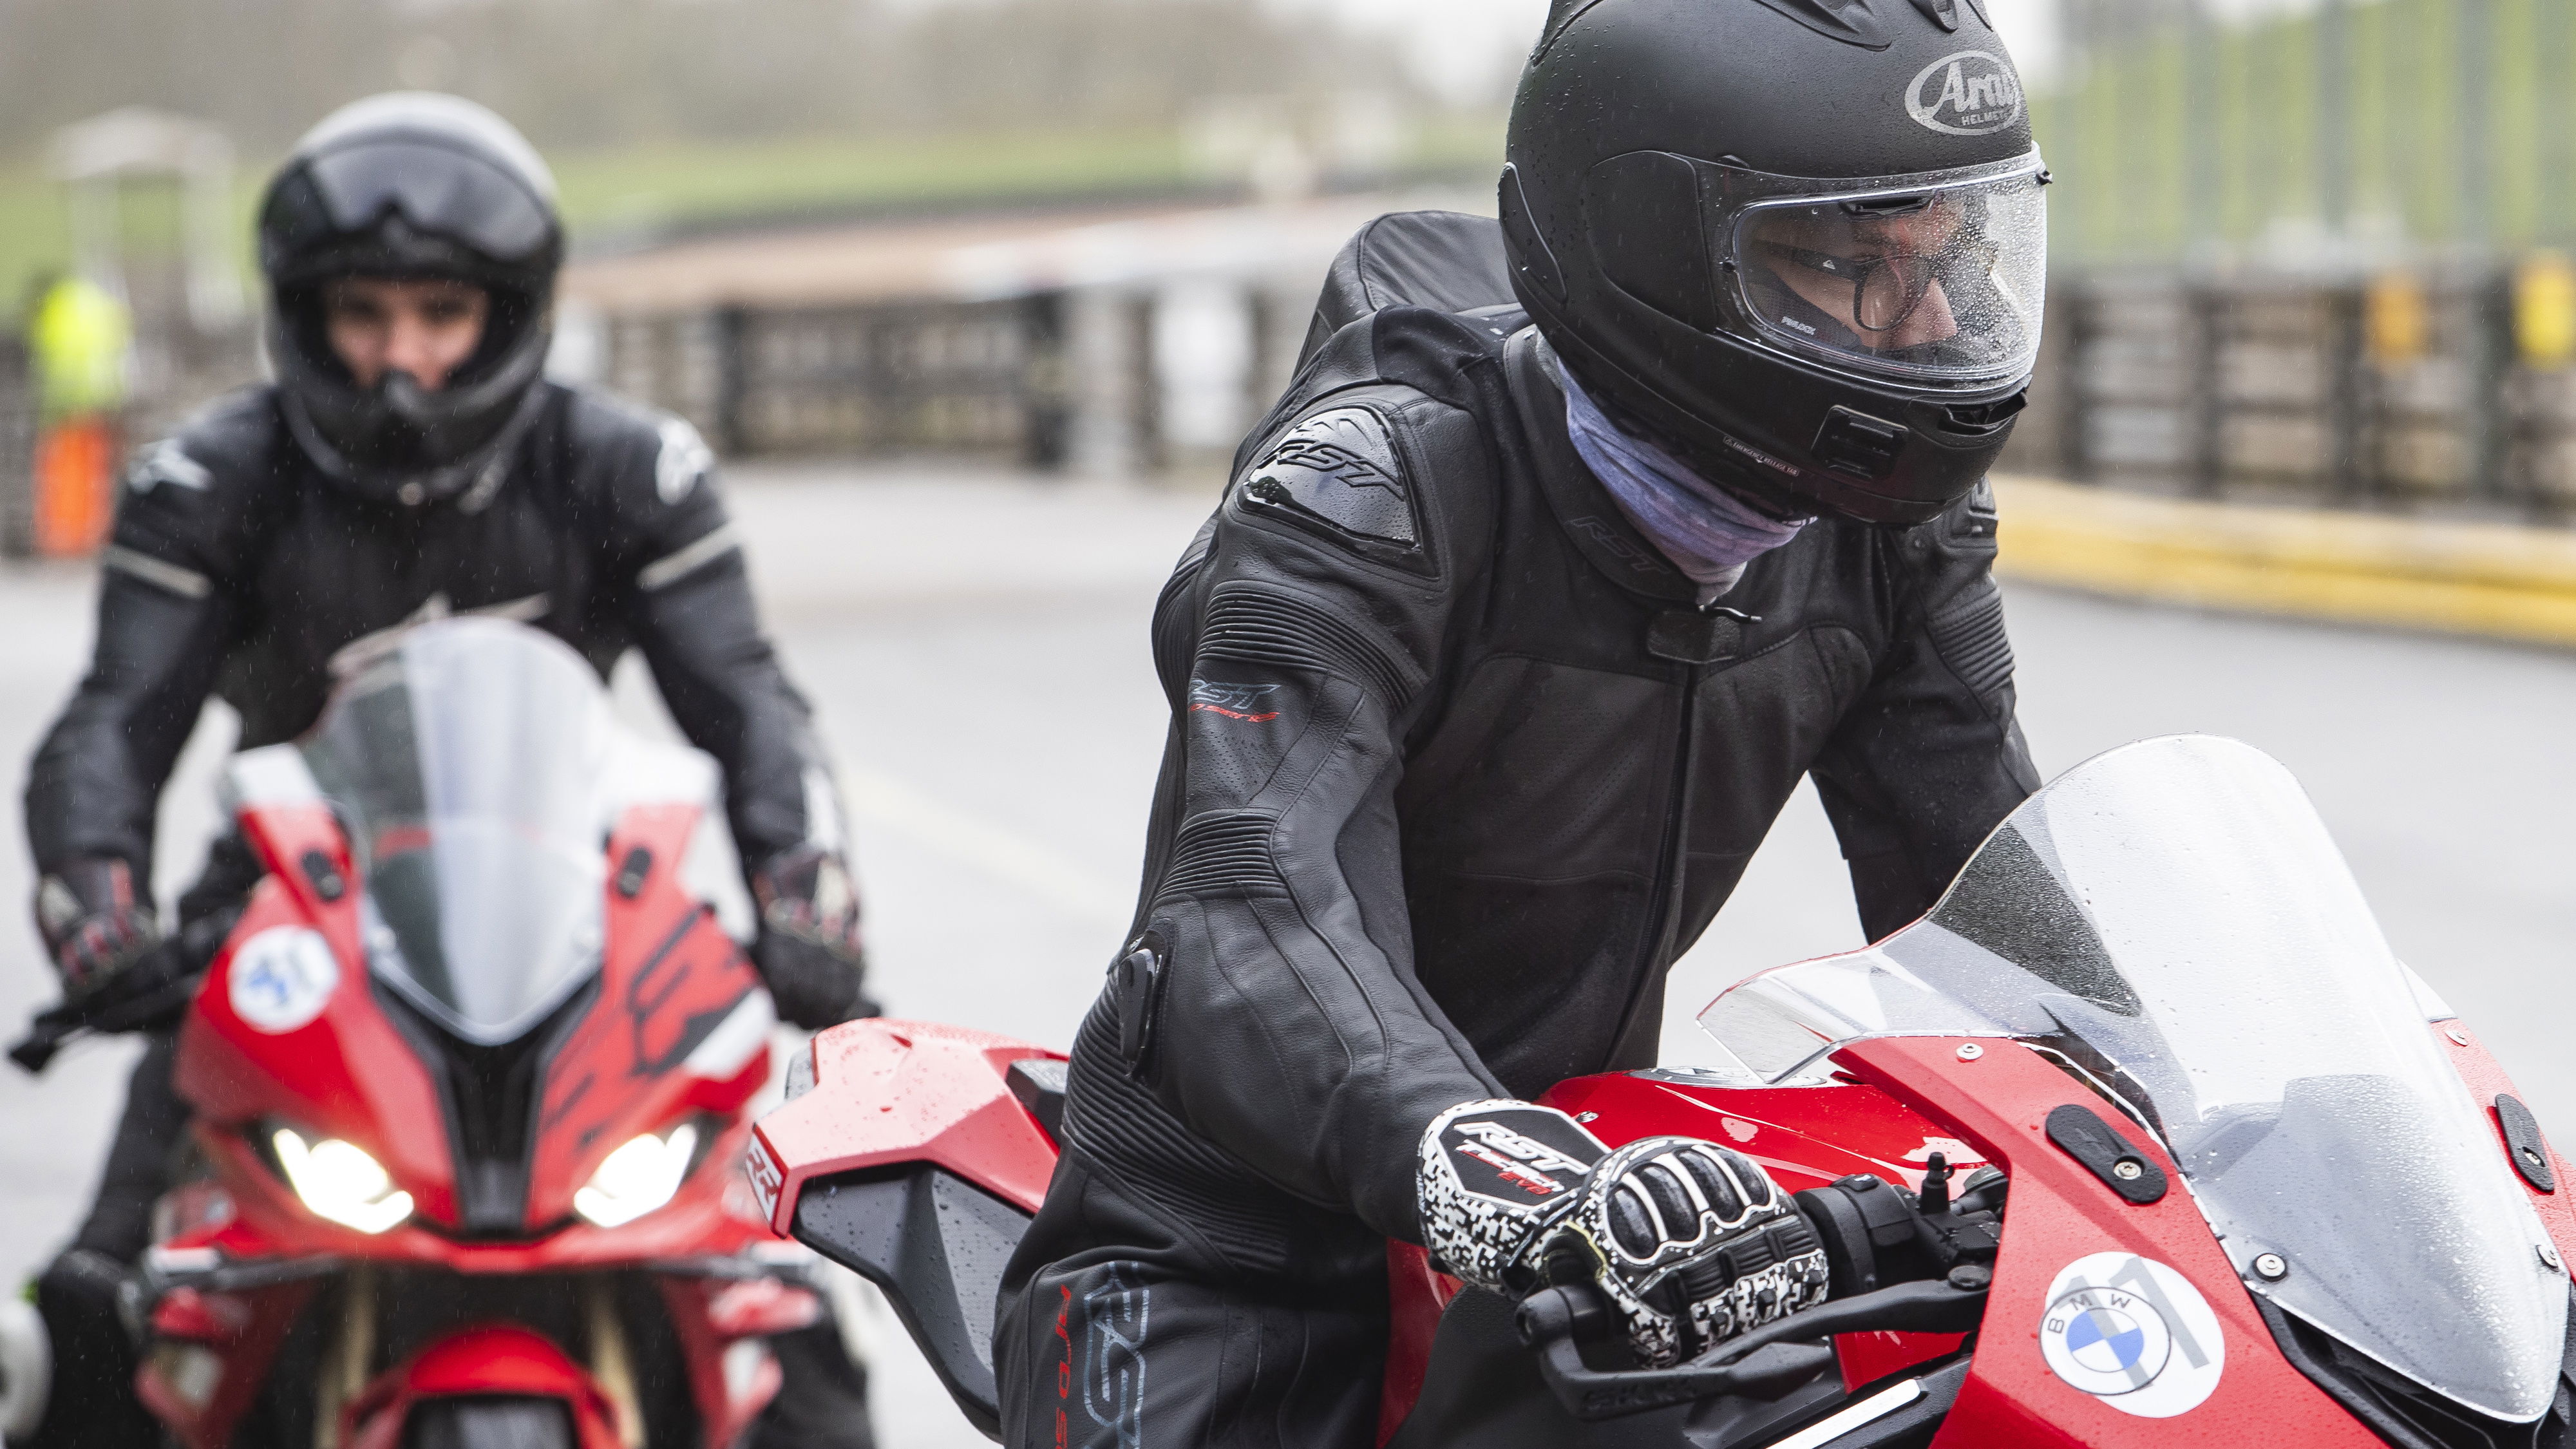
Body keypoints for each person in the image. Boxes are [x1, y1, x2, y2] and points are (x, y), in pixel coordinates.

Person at [996, 0, 2047, 1442]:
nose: (1928, 329)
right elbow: (1254, 908)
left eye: (1949, 258)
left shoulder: (1884, 530)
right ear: (1651, 254)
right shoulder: (1368, 489)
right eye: (1852, 266)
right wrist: (1497, 1168)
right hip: (1233, 1246)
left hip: (1607, 1226)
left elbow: (1995, 920)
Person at [12, 93, 873, 1448]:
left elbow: (753, 705)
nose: (399, 358)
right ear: (303, 315)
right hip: (274, 930)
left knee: (789, 1330)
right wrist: (97, 910)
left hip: (578, 913)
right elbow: (111, 722)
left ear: (509, 312)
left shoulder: (629, 469)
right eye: (361, 314)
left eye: (441, 313)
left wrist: (804, 894)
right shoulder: (205, 482)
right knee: (96, 1315)